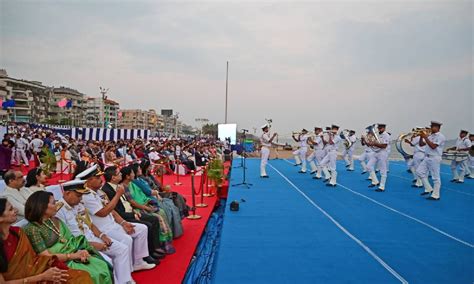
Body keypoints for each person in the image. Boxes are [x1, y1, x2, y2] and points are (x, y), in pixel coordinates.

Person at [77, 165, 157, 272]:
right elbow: (103, 212)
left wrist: (124, 223)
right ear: (89, 181)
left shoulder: (100, 192)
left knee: (142, 229)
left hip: (113, 224)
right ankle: (126, 271)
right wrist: (118, 195)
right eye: (97, 178)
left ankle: (138, 262)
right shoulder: (87, 196)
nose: (101, 179)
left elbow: (113, 211)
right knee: (126, 239)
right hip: (103, 229)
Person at [56, 180, 136, 283]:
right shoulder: (59, 211)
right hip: (80, 246)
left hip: (94, 238)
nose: (80, 199)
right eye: (78, 196)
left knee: (122, 249)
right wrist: (93, 245)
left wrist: (102, 236)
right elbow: (68, 238)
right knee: (107, 261)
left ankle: (123, 281)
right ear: (67, 193)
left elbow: (91, 224)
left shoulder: (78, 205)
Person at [23, 191, 113, 283]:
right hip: (57, 264)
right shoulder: (32, 229)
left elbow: (71, 241)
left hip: (73, 255)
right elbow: (46, 257)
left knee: (101, 265)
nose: (57, 205)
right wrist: (72, 256)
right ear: (42, 207)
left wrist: (80, 251)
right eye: (54, 203)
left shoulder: (53, 220)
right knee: (92, 274)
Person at [0, 198, 93, 284]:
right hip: (26, 280)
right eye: (11, 209)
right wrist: (41, 277)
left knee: (81, 276)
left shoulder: (17, 232)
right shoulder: (31, 229)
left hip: (35, 271)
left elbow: (33, 259)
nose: (16, 210)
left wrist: (52, 269)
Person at [101, 166, 164, 260]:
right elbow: (116, 210)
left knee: (154, 219)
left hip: (130, 211)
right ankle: (146, 254)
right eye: (119, 173)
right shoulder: (107, 190)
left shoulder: (119, 185)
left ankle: (154, 248)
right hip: (123, 216)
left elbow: (127, 202)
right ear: (113, 177)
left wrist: (134, 211)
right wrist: (132, 214)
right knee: (147, 225)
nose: (121, 174)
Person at [416, 121, 446, 201]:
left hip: (435, 158)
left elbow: (433, 146)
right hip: (427, 157)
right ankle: (428, 188)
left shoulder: (440, 136)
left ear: (437, 128)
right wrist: (421, 137)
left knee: (435, 177)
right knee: (419, 172)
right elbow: (421, 144)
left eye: (433, 126)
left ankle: (436, 195)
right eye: (431, 126)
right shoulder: (430, 136)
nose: (431, 128)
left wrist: (425, 137)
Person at [364, 124, 390, 192]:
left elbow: (384, 146)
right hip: (375, 152)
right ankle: (375, 181)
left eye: (381, 128)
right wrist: (367, 141)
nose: (379, 129)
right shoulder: (377, 134)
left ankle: (382, 186)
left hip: (382, 153)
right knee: (368, 166)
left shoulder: (386, 135)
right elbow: (371, 143)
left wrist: (374, 144)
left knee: (383, 170)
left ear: (384, 128)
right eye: (379, 128)